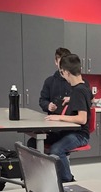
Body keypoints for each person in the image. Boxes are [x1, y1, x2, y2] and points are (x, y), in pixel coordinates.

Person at [31, 53, 91, 183]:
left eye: (62, 73)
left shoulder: (79, 90)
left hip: (80, 135)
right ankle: (44, 176)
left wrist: (59, 117)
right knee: (33, 142)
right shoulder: (80, 88)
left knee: (57, 150)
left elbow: (82, 119)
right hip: (70, 131)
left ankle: (67, 180)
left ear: (65, 72)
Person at [38, 47, 72, 113]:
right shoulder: (49, 81)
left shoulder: (76, 81)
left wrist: (72, 99)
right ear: (56, 62)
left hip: (72, 119)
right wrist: (48, 105)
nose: (63, 66)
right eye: (60, 63)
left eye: (65, 63)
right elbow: (42, 100)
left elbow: (86, 101)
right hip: (54, 119)